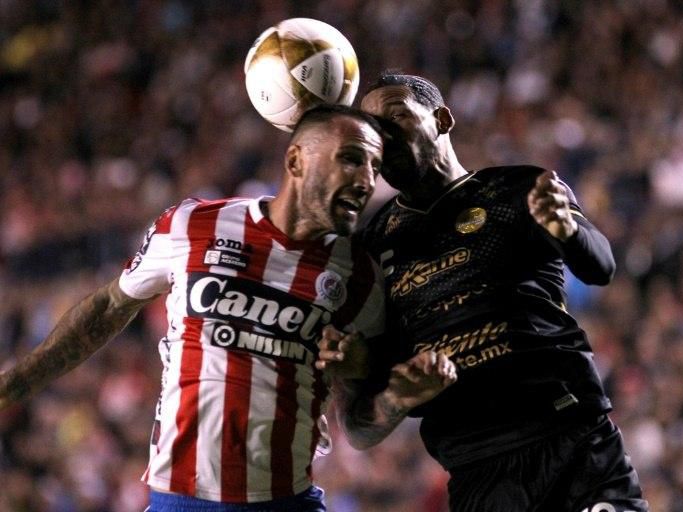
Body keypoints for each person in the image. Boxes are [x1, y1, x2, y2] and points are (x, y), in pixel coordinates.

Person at [0, 104, 456, 512]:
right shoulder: (194, 223)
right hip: (179, 500)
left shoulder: (360, 277)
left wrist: (390, 394)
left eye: (375, 166)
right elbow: (108, 308)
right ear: (295, 159)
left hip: (285, 502)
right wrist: (20, 379)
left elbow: (359, 427)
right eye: (352, 158)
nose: (366, 180)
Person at [325, 74, 649, 512]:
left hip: (571, 440)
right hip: (478, 472)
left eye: (397, 116)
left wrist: (568, 232)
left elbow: (601, 266)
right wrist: (396, 397)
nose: (383, 134)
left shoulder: (517, 190)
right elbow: (360, 428)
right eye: (373, 127)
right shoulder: (370, 247)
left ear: (442, 118)